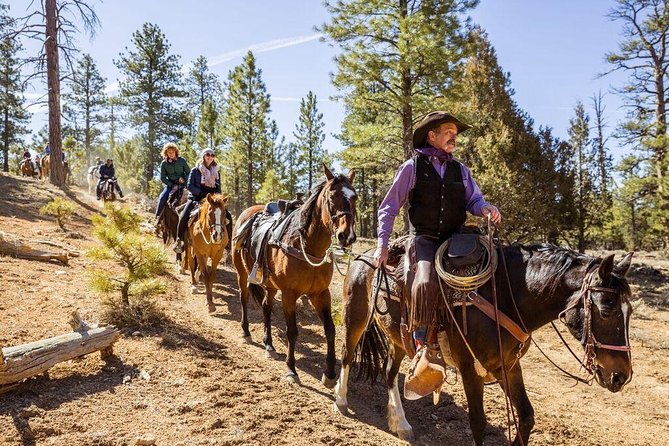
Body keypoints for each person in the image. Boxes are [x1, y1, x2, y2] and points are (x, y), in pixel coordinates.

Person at [373, 111, 501, 397]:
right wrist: (382, 243)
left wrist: (486, 208)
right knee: (424, 281)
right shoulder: (412, 167)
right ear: (432, 135)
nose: (453, 136)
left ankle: (483, 345)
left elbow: (474, 200)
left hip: (458, 238)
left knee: (493, 269)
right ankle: (423, 349)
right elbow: (389, 207)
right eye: (448, 131)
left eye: (455, 132)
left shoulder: (461, 170)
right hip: (426, 239)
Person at [174, 148, 232, 253]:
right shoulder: (195, 170)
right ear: (203, 156)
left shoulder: (216, 171)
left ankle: (228, 245)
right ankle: (179, 241)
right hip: (197, 198)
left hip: (212, 200)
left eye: (212, 155)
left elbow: (218, 188)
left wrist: (217, 198)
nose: (210, 157)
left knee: (228, 216)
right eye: (207, 154)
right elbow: (189, 185)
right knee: (184, 216)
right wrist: (200, 193)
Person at [156, 142, 190, 221]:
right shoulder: (164, 164)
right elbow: (163, 177)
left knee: (193, 197)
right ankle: (157, 219)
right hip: (171, 186)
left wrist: (184, 179)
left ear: (176, 152)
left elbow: (188, 172)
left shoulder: (182, 160)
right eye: (169, 152)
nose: (171, 154)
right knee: (162, 197)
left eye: (172, 152)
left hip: (183, 185)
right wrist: (171, 184)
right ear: (166, 153)